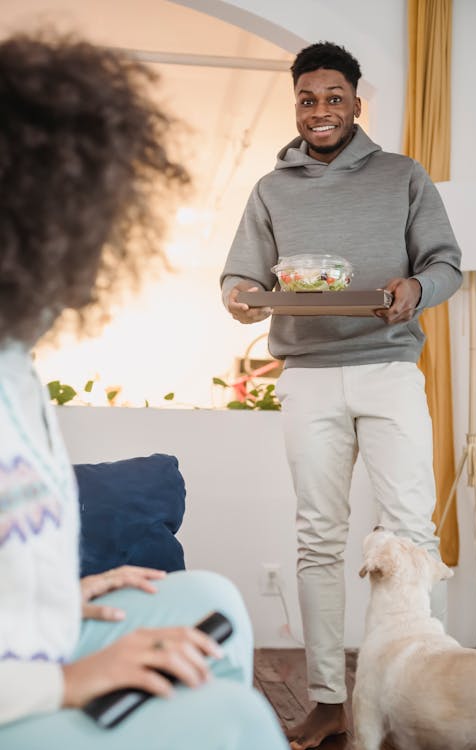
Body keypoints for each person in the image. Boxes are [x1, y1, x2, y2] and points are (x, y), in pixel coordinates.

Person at [0, 31, 288, 750]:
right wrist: (63, 682)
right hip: (21, 686)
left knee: (208, 601)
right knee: (238, 719)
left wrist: (58, 601)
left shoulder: (18, 365)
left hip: (30, 645)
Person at [221, 41, 461, 749]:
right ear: (295, 105)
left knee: (410, 533)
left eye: (333, 97)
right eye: (306, 98)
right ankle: (328, 697)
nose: (319, 110)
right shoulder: (271, 189)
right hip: (309, 375)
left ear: (357, 102)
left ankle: (422, 687)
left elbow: (443, 263)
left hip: (388, 367)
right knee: (319, 537)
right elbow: (239, 279)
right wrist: (241, 300)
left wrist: (416, 289)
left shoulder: (402, 176)